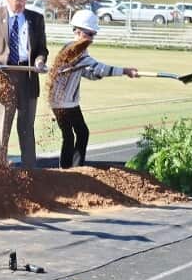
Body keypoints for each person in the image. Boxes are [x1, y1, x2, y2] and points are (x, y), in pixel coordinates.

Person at [50, 11, 138, 168]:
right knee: (76, 135)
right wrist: (125, 71)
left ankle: (72, 169)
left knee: (76, 134)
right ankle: (70, 170)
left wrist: (97, 75)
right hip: (63, 102)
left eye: (93, 34)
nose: (91, 38)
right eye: (89, 34)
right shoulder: (74, 51)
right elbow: (100, 67)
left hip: (64, 101)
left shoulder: (77, 49)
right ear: (77, 31)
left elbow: (86, 71)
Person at [0, 0, 49, 169]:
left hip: (27, 77)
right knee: (1, 127)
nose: (20, 2)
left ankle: (30, 171)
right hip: (2, 78)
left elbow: (41, 49)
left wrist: (39, 61)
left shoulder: (35, 19)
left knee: (26, 128)